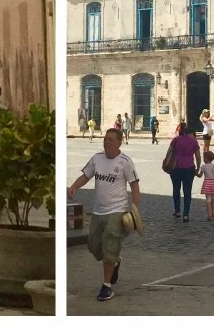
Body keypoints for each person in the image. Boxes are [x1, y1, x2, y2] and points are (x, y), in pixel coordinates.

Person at [67, 127, 141, 302]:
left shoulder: (125, 162)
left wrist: (134, 209)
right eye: (105, 139)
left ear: (119, 142)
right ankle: (115, 260)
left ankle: (106, 287)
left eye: (111, 140)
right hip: (98, 210)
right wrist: (74, 186)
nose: (106, 142)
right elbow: (86, 175)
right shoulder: (97, 159)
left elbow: (135, 186)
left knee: (110, 246)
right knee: (94, 246)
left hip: (117, 210)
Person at [170, 122, 202, 222]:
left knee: (176, 189)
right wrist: (197, 168)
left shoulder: (176, 140)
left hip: (176, 167)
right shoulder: (194, 142)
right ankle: (186, 215)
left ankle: (177, 211)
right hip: (189, 168)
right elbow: (198, 156)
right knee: (187, 191)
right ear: (192, 133)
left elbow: (170, 152)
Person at [199, 149, 214, 221]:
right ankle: (213, 212)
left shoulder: (203, 167)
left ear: (206, 158)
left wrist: (195, 173)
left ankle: (209, 215)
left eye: (204, 157)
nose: (203, 159)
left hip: (207, 184)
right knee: (213, 198)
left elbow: (200, 175)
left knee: (208, 199)